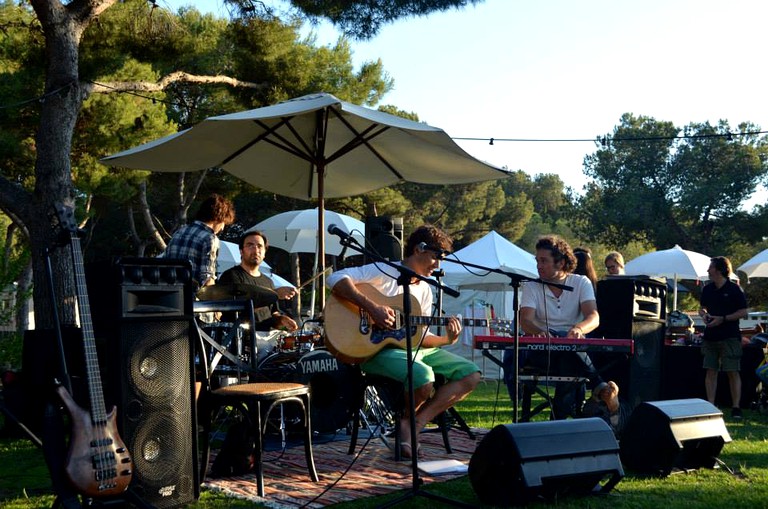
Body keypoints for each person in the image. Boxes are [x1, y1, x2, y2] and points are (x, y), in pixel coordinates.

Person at [326, 225, 481, 459]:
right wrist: (372, 307)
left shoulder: (427, 289)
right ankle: (409, 425)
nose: (437, 265)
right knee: (423, 376)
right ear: (419, 249)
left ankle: (414, 422)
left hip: (414, 350)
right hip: (375, 351)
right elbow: (335, 278)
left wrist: (446, 339)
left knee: (471, 374)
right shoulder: (383, 269)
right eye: (435, 258)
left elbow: (419, 338)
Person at [506, 235, 618, 420]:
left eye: (544, 261)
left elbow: (593, 317)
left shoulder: (581, 282)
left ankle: (557, 420)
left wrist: (579, 329)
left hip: (572, 349)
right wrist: (541, 332)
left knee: (570, 358)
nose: (538, 266)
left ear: (561, 262)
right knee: (568, 351)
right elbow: (525, 320)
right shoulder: (532, 286)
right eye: (537, 260)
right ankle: (600, 388)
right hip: (542, 350)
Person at [218, 231, 298, 332]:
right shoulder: (231, 276)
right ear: (241, 251)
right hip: (240, 339)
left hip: (265, 340)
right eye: (250, 245)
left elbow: (273, 314)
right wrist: (275, 294)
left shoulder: (268, 282)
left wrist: (282, 320)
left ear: (264, 253)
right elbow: (239, 310)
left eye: (260, 246)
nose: (256, 250)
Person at [698, 256, 748, 419]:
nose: (707, 270)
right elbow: (702, 308)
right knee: (710, 370)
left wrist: (723, 319)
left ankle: (736, 407)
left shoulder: (734, 289)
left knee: (732, 371)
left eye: (710, 267)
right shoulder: (707, 289)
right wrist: (704, 315)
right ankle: (710, 405)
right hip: (710, 336)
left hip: (730, 337)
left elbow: (743, 312)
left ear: (719, 270)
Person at [164, 193, 235, 289]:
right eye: (224, 223)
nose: (222, 228)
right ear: (219, 218)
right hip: (190, 297)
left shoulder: (180, 232)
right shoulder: (210, 238)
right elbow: (207, 278)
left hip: (169, 293)